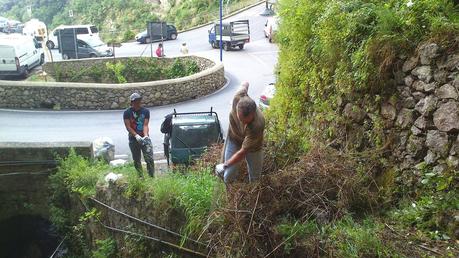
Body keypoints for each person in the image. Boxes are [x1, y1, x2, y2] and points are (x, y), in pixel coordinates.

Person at [216, 81, 265, 183]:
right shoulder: (238, 97)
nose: (244, 124)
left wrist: (225, 164)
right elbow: (245, 83)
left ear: (253, 113)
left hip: (253, 147)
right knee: (228, 176)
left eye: (247, 122)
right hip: (234, 139)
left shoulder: (257, 124)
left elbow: (242, 153)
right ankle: (229, 196)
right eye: (241, 120)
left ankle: (253, 196)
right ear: (237, 108)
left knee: (255, 178)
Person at [123, 93, 155, 177]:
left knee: (149, 159)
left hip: (144, 138)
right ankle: (140, 176)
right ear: (131, 102)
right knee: (136, 160)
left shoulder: (145, 111)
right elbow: (128, 127)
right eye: (135, 101)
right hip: (133, 140)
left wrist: (146, 136)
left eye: (138, 100)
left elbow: (145, 125)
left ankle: (151, 177)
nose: (137, 103)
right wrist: (136, 136)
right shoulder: (127, 113)